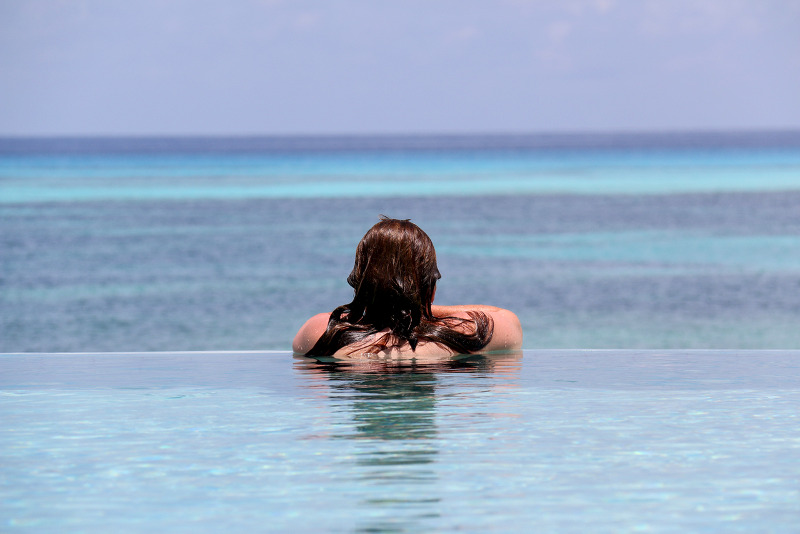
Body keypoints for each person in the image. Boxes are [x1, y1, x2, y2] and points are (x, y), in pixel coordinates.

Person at [293, 216, 523, 358]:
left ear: (360, 284)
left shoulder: (324, 334)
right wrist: (424, 310)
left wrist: (380, 305)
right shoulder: (460, 336)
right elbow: (507, 319)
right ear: (430, 288)